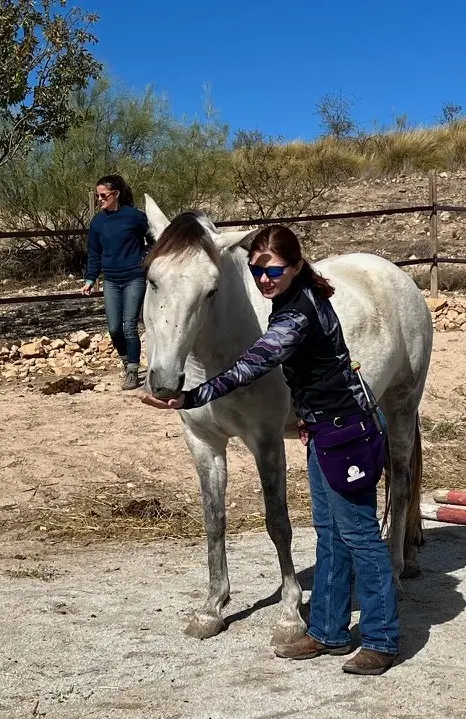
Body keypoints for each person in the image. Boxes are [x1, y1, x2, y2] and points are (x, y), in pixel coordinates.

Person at [140, 225, 399, 676]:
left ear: (297, 266)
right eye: (258, 270)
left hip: (347, 432)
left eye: (273, 270)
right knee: (329, 533)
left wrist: (193, 398)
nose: (264, 279)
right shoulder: (288, 300)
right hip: (321, 430)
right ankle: (329, 631)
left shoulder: (298, 312)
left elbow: (256, 362)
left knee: (358, 533)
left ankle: (381, 638)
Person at [81, 175, 151, 390]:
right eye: (98, 195)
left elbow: (153, 237)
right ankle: (125, 360)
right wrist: (90, 278)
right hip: (111, 280)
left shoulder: (134, 216)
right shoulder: (98, 222)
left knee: (129, 326)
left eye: (104, 195)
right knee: (114, 328)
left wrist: (148, 258)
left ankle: (132, 369)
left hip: (133, 278)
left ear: (116, 194)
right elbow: (94, 252)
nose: (100, 199)